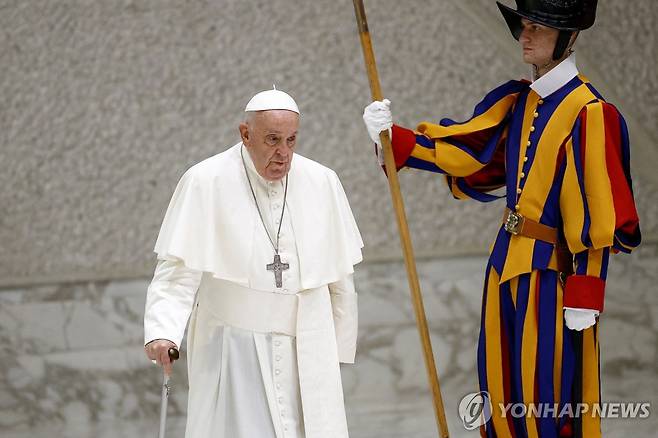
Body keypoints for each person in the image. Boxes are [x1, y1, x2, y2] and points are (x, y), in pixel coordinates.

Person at [362, 1, 640, 437]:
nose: (525, 36)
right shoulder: (519, 101)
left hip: (552, 276)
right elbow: (468, 154)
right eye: (523, 26)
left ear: (568, 37)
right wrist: (394, 138)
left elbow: (598, 215)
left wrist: (587, 291)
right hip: (504, 264)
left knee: (546, 396)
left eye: (537, 27)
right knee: (500, 387)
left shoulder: (590, 114)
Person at [144, 88, 363, 438]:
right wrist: (162, 331)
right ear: (245, 134)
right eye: (273, 140)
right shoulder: (205, 181)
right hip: (235, 348)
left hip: (307, 345)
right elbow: (176, 272)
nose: (284, 154)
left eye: (291, 140)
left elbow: (339, 276)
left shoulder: (322, 182)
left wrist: (337, 344)